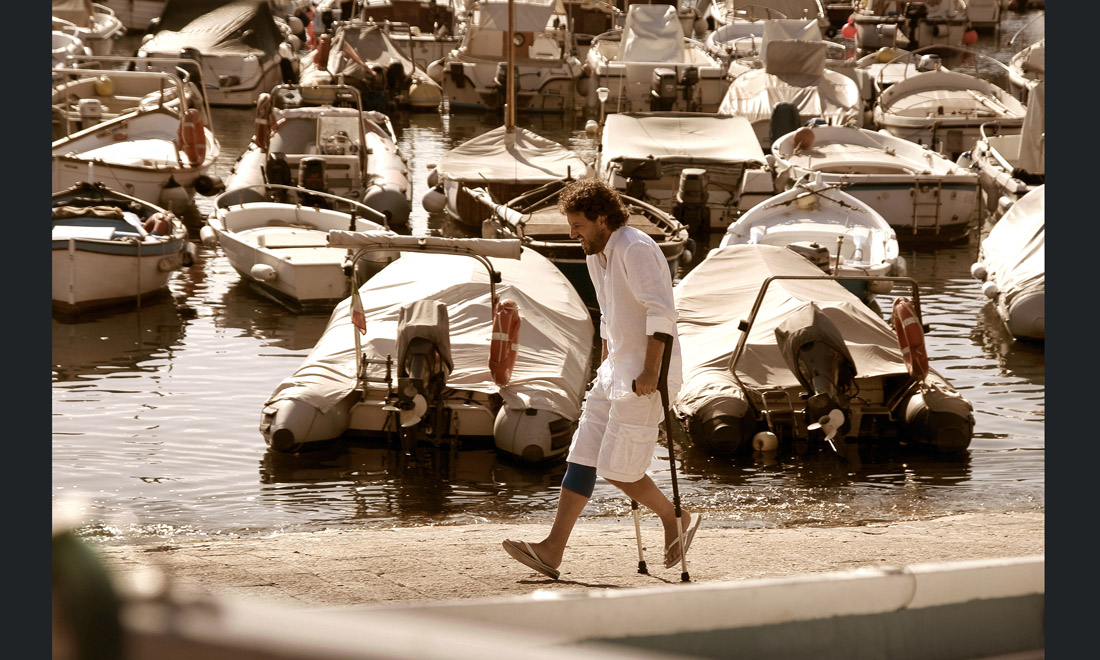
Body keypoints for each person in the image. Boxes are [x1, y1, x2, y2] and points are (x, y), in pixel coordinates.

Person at [502, 178, 702, 580]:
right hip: (614, 373)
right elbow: (610, 316)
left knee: (618, 469)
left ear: (603, 218)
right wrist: (607, 364)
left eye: (578, 225)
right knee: (583, 454)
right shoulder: (598, 254)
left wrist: (650, 371)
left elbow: (660, 313)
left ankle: (675, 517)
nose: (573, 234)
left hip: (648, 376)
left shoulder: (636, 248)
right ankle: (552, 550)